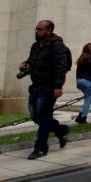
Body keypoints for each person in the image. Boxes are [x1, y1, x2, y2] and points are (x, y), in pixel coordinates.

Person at [20, 20, 70, 159]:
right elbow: (31, 61)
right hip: (35, 86)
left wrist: (58, 86)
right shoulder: (36, 45)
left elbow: (61, 66)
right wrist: (25, 64)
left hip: (49, 86)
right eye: (36, 29)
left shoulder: (57, 45)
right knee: (36, 117)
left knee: (44, 116)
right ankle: (61, 130)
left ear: (49, 31)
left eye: (40, 29)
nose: (37, 32)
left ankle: (40, 148)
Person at [74, 43, 91, 124]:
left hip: (79, 81)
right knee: (88, 99)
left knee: (89, 98)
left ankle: (80, 115)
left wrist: (78, 82)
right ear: (89, 50)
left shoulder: (81, 58)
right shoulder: (90, 59)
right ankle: (82, 118)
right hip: (87, 81)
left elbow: (77, 72)